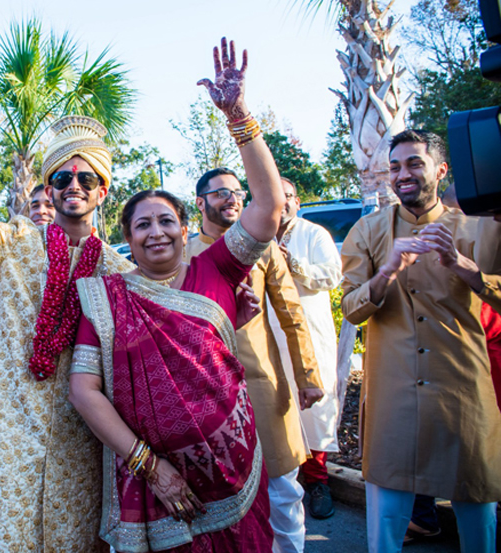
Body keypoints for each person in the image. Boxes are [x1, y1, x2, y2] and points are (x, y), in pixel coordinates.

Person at [0, 35, 133, 552]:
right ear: (50, 189)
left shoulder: (122, 273)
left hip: (81, 445)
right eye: (61, 176)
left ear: (102, 191)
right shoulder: (13, 243)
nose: (72, 183)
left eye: (85, 176)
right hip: (3, 430)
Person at [68, 37, 286, 552]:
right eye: (142, 224)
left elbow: (269, 205)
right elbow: (84, 390)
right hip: (154, 482)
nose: (156, 232)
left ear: (186, 229)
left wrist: (238, 116)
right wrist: (150, 466)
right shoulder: (106, 296)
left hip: (235, 470)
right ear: (129, 236)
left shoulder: (215, 266)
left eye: (167, 220)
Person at [340, 129, 501, 553]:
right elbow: (351, 308)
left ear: (441, 170)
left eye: (414, 163)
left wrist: (465, 268)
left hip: (462, 389)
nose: (402, 174)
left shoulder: (482, 229)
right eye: (395, 166)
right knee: (387, 521)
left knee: (476, 505)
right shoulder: (368, 230)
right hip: (394, 397)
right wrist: (387, 270)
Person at [184, 168, 324, 551]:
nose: (231, 198)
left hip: (262, 384)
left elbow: (291, 314)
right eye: (220, 193)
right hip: (204, 393)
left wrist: (307, 376)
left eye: (237, 191)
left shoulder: (265, 247)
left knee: (283, 491)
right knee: (220, 499)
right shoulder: (183, 255)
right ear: (200, 202)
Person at [272, 177, 342, 520]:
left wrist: (293, 265)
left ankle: (317, 482)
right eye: (275, 196)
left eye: (287, 197)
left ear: (297, 201)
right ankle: (285, 483)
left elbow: (332, 275)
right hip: (267, 338)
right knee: (276, 408)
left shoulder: (314, 234)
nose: (281, 202)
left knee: (315, 409)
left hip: (308, 337)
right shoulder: (255, 235)